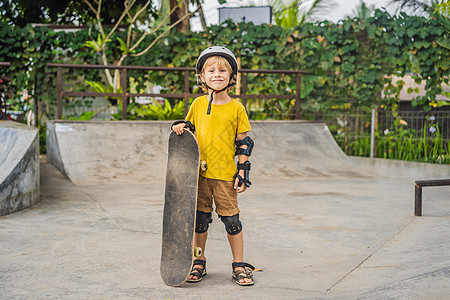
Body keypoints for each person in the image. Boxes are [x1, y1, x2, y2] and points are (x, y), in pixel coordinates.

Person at [171, 46, 255, 286]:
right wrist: (181, 128)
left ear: (231, 78)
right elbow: (190, 131)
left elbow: (244, 144)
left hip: (225, 176)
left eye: (222, 70)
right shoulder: (197, 104)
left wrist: (243, 172)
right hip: (199, 176)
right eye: (211, 70)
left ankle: (239, 264)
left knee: (232, 221)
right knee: (199, 220)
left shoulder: (236, 108)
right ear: (202, 77)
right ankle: (199, 262)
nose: (217, 74)